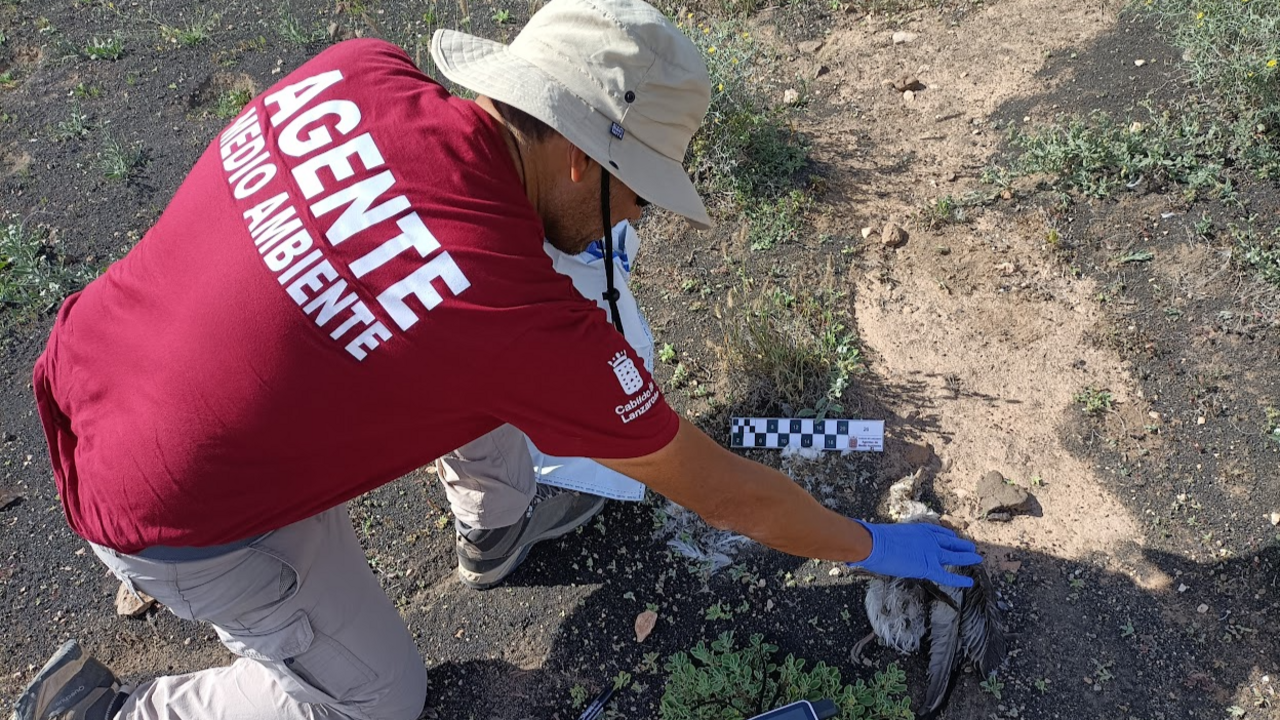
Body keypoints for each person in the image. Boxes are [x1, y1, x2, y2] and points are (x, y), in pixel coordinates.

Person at [15, 0, 985, 719]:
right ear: (575, 158)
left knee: (453, 369)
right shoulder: (520, 322)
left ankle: (495, 530)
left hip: (98, 362)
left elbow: (408, 280)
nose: (640, 214)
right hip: (174, 504)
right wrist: (870, 543)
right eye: (636, 187)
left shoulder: (357, 74)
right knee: (376, 702)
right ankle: (108, 713)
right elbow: (725, 495)